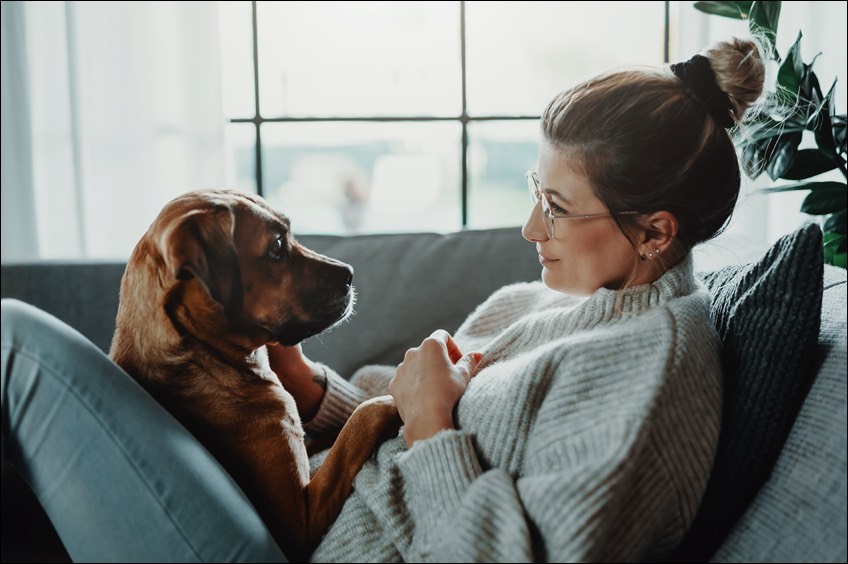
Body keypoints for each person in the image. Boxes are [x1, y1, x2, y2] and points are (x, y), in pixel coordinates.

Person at [2, 36, 766, 563]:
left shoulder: (651, 375)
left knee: (12, 345)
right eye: (538, 191)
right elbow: (391, 403)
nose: (531, 225)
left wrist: (433, 427)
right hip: (293, 507)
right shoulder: (536, 303)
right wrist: (312, 394)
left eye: (558, 207)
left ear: (656, 232)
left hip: (290, 546)